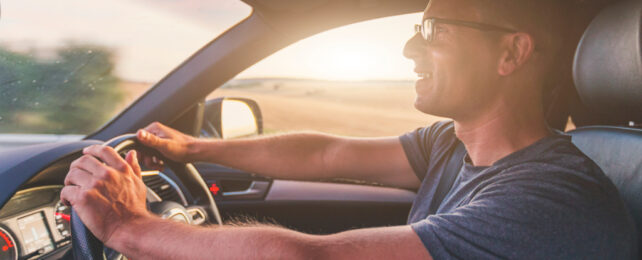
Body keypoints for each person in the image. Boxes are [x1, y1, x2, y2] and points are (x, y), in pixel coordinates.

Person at [61, 0, 637, 258]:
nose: (412, 46)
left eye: (436, 29)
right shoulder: (451, 142)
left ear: (512, 53)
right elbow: (326, 153)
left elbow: (312, 259)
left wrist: (127, 226)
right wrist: (197, 146)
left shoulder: (547, 198)